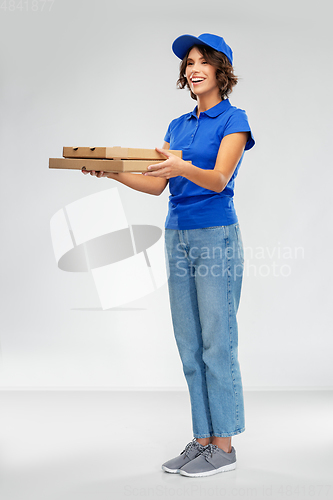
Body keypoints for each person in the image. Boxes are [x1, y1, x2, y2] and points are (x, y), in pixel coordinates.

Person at [82, 33, 255, 478]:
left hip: (215, 235)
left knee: (219, 343)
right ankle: (202, 441)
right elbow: (159, 184)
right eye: (188, 63)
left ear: (221, 70)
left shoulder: (234, 120)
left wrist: (181, 167)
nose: (193, 68)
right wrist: (113, 173)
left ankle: (225, 447)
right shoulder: (178, 126)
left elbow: (218, 178)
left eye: (202, 61)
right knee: (190, 344)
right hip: (176, 234)